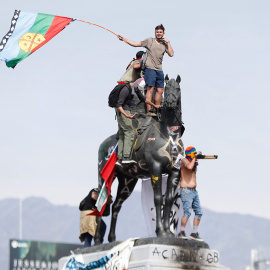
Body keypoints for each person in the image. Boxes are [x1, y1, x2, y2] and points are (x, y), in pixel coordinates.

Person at [118, 24, 174, 116]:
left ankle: (157, 108)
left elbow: (171, 54)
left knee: (160, 90)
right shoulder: (150, 41)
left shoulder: (164, 44)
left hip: (159, 70)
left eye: (160, 32)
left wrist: (168, 43)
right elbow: (136, 44)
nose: (158, 34)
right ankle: (149, 110)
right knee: (150, 88)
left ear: (163, 33)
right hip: (150, 69)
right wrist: (124, 39)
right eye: (157, 32)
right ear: (155, 33)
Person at [115, 78, 160, 164]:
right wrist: (126, 115)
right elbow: (119, 105)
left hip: (125, 111)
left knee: (122, 134)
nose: (138, 91)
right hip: (124, 111)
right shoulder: (125, 90)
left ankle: (120, 158)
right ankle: (126, 157)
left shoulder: (135, 88)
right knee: (129, 132)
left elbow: (144, 99)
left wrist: (154, 105)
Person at [178, 146, 204, 241]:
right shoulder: (184, 160)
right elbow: (189, 167)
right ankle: (181, 232)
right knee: (187, 212)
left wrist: (195, 161)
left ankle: (194, 232)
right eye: (194, 153)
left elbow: (193, 169)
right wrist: (194, 159)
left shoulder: (193, 163)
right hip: (186, 190)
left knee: (199, 212)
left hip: (194, 191)